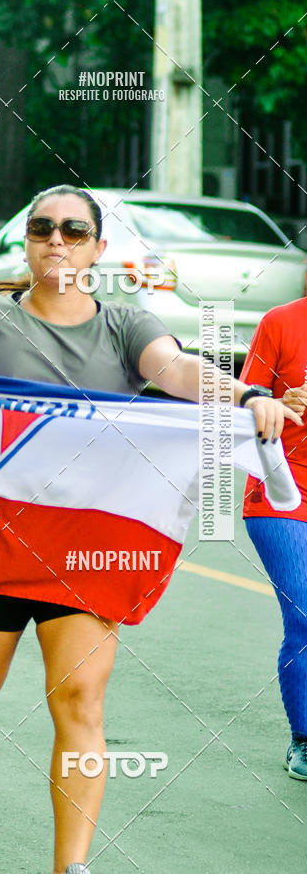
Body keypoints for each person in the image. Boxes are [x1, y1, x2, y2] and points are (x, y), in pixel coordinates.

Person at [0, 185, 299, 874]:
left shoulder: (128, 325)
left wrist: (245, 394)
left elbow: (177, 369)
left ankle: (70, 866)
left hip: (86, 554)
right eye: (43, 227)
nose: (57, 240)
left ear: (98, 249)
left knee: (80, 699)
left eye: (74, 230)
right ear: (27, 240)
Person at [240, 297, 307, 780]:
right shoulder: (281, 323)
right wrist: (279, 406)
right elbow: (243, 410)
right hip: (284, 492)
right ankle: (304, 740)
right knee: (305, 617)